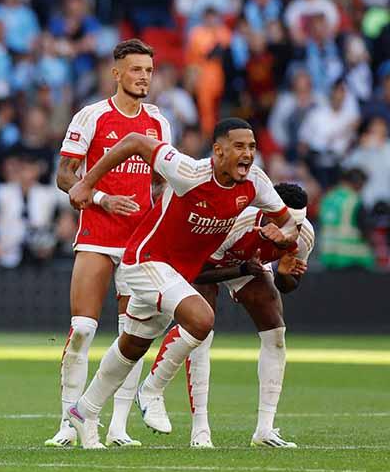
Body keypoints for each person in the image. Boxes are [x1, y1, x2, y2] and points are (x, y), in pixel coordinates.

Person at [64, 118, 294, 449]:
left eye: (252, 147)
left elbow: (289, 224)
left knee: (132, 345)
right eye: (240, 147)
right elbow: (133, 140)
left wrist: (282, 238)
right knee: (201, 319)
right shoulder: (187, 172)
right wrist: (86, 183)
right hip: (145, 262)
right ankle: (152, 389)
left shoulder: (256, 183)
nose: (248, 154)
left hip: (175, 274)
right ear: (218, 151)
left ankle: (84, 411)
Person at [46, 39, 171, 448]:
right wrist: (100, 198)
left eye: (149, 71)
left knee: (131, 334)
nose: (143, 77)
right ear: (116, 73)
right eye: (136, 70)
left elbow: (164, 180)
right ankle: (68, 422)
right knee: (82, 328)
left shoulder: (158, 122)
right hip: (98, 235)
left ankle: (117, 426)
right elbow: (67, 175)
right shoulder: (92, 116)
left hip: (140, 243)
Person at [149, 183, 313, 448]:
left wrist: (284, 274)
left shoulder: (303, 236)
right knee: (201, 330)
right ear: (269, 214)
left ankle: (265, 430)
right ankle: (200, 429)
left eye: (298, 224)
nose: (292, 233)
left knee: (276, 333)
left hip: (248, 266)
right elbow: (196, 272)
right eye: (287, 225)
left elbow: (288, 285)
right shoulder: (239, 222)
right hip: (205, 261)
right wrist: (242, 269)